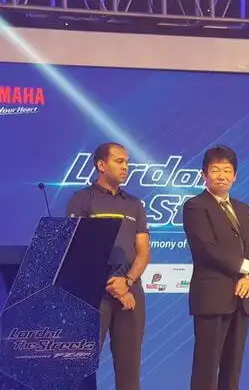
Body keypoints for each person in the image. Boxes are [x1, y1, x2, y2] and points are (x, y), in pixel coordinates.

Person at [66, 142, 151, 390]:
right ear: (101, 165)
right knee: (81, 369)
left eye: (127, 162)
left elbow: (143, 252)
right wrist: (111, 284)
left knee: (129, 372)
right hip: (93, 294)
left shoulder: (134, 204)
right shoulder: (81, 200)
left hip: (130, 293)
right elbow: (78, 250)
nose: (125, 167)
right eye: (119, 161)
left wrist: (127, 282)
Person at [182, 145, 249, 390]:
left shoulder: (243, 209)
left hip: (241, 298)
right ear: (204, 174)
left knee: (233, 368)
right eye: (215, 170)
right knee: (206, 369)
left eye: (227, 170)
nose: (222, 176)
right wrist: (247, 266)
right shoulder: (195, 206)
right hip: (212, 298)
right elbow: (208, 248)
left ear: (235, 175)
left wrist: (248, 277)